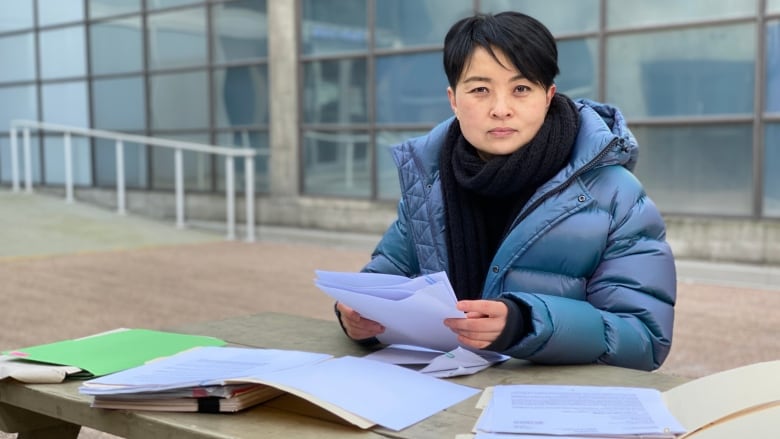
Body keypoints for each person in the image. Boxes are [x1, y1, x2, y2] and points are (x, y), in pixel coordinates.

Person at [334, 11, 676, 371]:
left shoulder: (616, 195)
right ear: (453, 99)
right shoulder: (429, 183)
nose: (500, 109)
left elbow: (644, 338)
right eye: (480, 90)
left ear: (548, 95)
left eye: (521, 89)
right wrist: (356, 316)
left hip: (546, 411)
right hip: (440, 398)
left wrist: (524, 323)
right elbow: (380, 281)